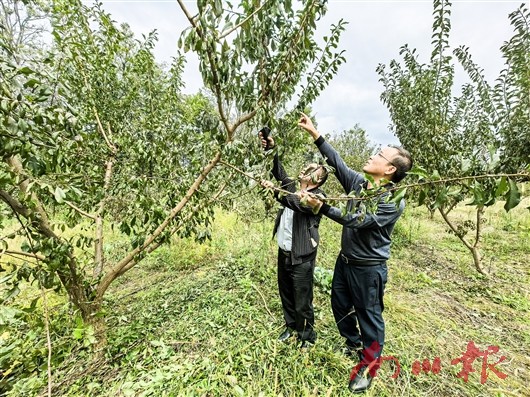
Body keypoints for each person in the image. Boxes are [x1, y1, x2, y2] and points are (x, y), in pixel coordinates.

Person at [296, 113, 413, 393]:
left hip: (369, 268)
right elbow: (337, 163)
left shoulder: (391, 201)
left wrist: (321, 207)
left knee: (369, 316)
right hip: (345, 261)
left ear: (389, 170)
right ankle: (353, 343)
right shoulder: (359, 184)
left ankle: (369, 366)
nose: (373, 155)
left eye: (379, 155)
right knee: (339, 305)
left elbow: (358, 221)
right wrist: (315, 134)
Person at [259, 130, 328, 349]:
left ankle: (306, 335)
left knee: (302, 297)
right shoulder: (292, 188)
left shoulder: (318, 198)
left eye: (311, 169)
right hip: (284, 251)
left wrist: (276, 192)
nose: (305, 168)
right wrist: (272, 147)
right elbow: (278, 171)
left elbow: (297, 204)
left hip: (302, 256)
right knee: (286, 291)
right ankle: (291, 326)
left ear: (318, 178)